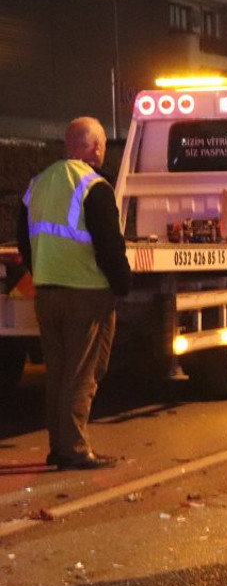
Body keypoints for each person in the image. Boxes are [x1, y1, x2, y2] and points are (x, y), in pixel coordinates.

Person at [18, 117, 131, 471]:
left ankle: (59, 445)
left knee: (58, 371)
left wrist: (42, 272)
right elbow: (109, 245)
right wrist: (122, 283)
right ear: (96, 147)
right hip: (87, 293)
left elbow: (24, 239)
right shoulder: (94, 186)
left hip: (47, 291)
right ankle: (74, 449)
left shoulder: (38, 183)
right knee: (84, 371)